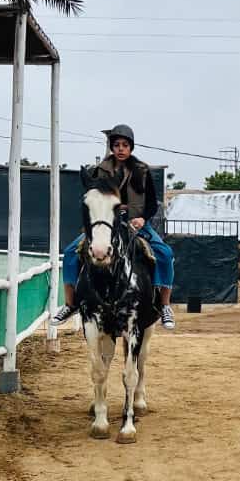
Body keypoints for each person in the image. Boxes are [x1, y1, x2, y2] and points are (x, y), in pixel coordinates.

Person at [50, 124, 176, 330]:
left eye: (125, 145)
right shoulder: (99, 171)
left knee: (165, 253)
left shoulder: (142, 171)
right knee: (71, 252)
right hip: (106, 223)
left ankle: (164, 305)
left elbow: (152, 204)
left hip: (135, 223)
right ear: (111, 147)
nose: (120, 149)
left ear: (131, 147)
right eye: (116, 145)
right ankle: (70, 304)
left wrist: (142, 218)